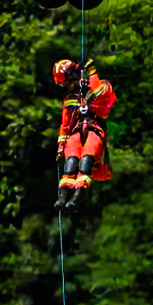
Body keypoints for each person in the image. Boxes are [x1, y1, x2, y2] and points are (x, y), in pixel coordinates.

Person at [53, 57, 116, 209]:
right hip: (76, 132)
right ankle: (62, 197)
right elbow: (66, 124)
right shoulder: (70, 100)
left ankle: (77, 196)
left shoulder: (98, 87)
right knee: (71, 161)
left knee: (87, 158)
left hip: (94, 128)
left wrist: (91, 72)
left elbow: (103, 95)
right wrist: (61, 146)